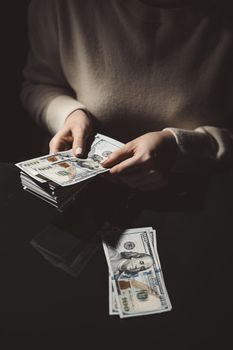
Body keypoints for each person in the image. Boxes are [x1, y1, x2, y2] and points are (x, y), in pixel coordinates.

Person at [21, 0, 233, 191]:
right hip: (80, 192)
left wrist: (179, 148)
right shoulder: (61, 5)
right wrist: (69, 114)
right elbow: (40, 84)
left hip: (197, 194)